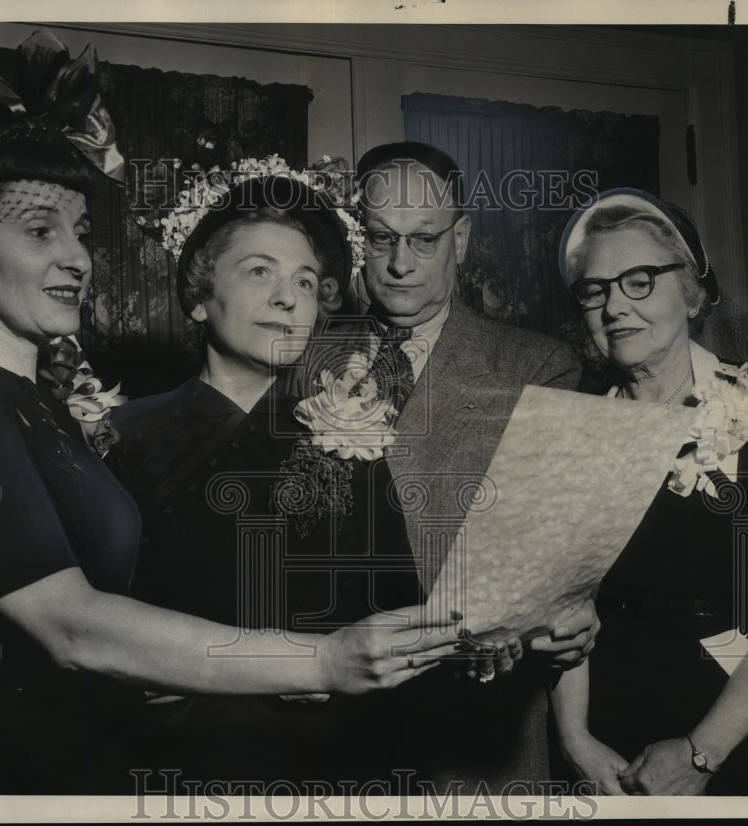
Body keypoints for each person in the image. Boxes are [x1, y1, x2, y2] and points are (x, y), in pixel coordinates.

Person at [0, 107, 459, 794]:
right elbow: (74, 626)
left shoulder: (37, 406)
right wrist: (321, 661)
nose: (77, 257)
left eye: (83, 234)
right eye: (40, 230)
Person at [107, 172, 434, 788]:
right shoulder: (123, 436)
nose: (289, 298)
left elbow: (397, 603)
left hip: (339, 761)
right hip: (184, 762)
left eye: (306, 283)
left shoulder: (351, 434)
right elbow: (91, 626)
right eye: (260, 272)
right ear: (200, 296)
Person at [296, 142, 599, 791]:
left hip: (476, 741)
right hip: (321, 733)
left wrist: (566, 616)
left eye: (424, 239)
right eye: (381, 239)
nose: (401, 264)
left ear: (460, 240)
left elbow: (557, 552)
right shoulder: (296, 358)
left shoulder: (537, 367)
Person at [550, 187, 748, 795]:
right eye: (596, 290)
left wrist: (701, 755)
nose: (615, 306)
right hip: (610, 731)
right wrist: (576, 742)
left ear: (693, 291)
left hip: (746, 724)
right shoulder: (572, 434)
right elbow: (565, 610)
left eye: (640, 280)